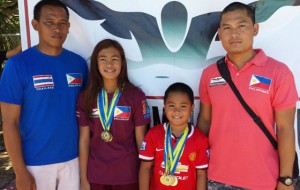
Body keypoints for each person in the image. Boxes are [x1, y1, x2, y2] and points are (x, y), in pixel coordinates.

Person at [197, 2, 298, 190]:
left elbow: (285, 129)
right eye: (227, 28)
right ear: (220, 33)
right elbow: (204, 121)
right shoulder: (209, 74)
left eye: (241, 26)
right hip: (215, 178)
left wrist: (286, 179)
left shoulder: (279, 73)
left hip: (263, 180)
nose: (233, 34)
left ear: (255, 29)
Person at [0, 0, 88, 189]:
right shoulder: (17, 66)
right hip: (34, 163)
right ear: (35, 25)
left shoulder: (79, 64)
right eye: (49, 22)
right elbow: (9, 123)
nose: (57, 28)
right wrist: (20, 172)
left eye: (62, 23)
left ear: (68, 26)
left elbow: (85, 114)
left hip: (73, 159)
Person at [76, 39, 151, 190]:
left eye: (114, 59)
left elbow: (140, 139)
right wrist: (83, 179)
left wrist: (145, 176)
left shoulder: (135, 95)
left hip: (128, 175)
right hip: (96, 175)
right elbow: (84, 140)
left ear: (122, 63)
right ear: (96, 64)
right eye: (103, 59)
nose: (109, 65)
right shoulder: (86, 97)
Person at [139, 82, 209, 190]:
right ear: (164, 107)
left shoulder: (200, 140)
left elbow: (201, 174)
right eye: (171, 106)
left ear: (192, 107)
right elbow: (145, 168)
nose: (177, 111)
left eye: (183, 106)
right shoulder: (153, 134)